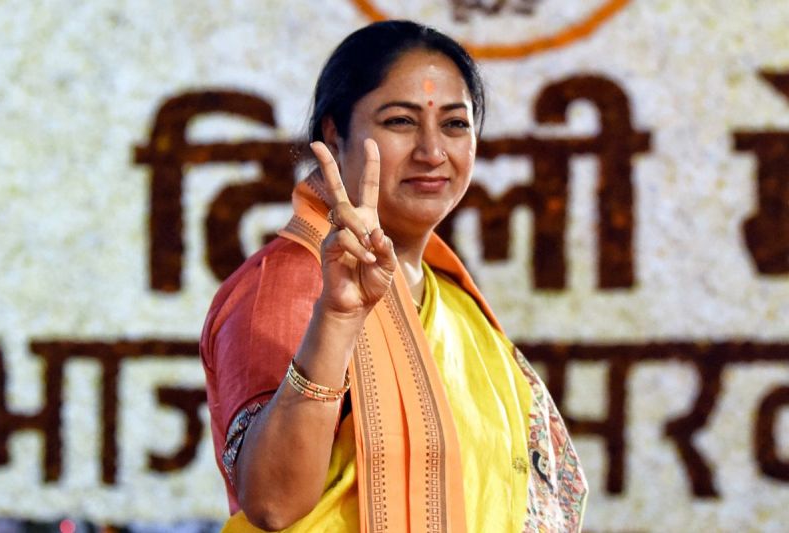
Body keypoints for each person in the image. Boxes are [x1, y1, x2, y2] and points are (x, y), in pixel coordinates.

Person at [200, 20, 587, 532]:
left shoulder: (452, 300)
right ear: (334, 133)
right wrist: (337, 318)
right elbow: (272, 501)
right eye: (401, 121)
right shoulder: (291, 283)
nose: (433, 152)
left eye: (455, 124)